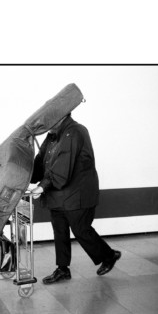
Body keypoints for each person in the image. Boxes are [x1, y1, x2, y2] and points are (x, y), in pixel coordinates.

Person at [30, 112, 121, 284]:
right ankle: (62, 269)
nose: (47, 124)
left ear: (62, 115)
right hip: (58, 194)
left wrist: (42, 186)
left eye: (50, 119)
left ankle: (109, 255)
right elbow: (41, 160)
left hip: (77, 194)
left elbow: (63, 166)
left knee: (81, 230)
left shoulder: (76, 131)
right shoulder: (53, 135)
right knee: (60, 231)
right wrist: (27, 176)